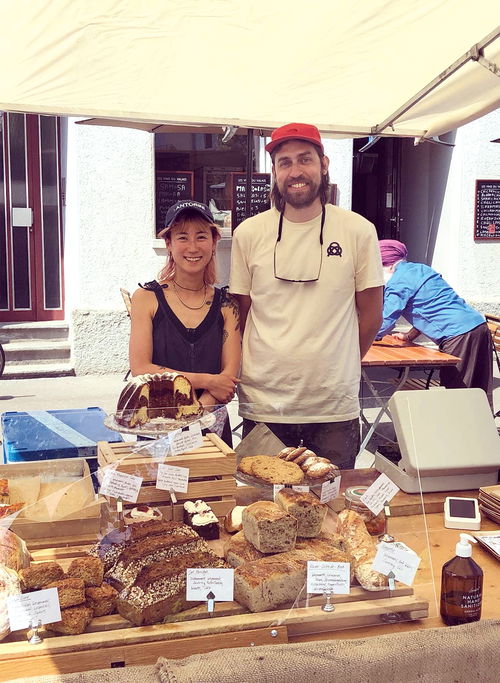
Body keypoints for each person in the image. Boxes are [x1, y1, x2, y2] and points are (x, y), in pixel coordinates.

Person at [229, 122, 384, 468]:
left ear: (323, 164)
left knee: (332, 512)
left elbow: (372, 315)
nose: (296, 171)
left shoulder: (358, 231)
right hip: (264, 403)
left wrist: (336, 364)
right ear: (274, 171)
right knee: (262, 512)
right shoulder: (248, 234)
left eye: (305, 160)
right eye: (285, 162)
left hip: (333, 406)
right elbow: (240, 315)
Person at [129, 200, 241, 445]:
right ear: (168, 244)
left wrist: (198, 413)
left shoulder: (227, 305)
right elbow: (141, 369)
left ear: (214, 243)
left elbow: (228, 377)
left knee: (210, 484)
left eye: (201, 236)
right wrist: (208, 380)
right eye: (182, 237)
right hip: (157, 426)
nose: (192, 247)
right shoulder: (146, 299)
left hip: (211, 425)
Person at [377, 239, 493, 408]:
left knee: (457, 392)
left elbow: (386, 320)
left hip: (459, 335)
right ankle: (483, 431)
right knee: (479, 391)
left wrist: (361, 339)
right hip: (478, 327)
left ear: (386, 265)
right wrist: (409, 335)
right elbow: (431, 307)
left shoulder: (398, 281)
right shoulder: (421, 270)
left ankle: (459, 432)